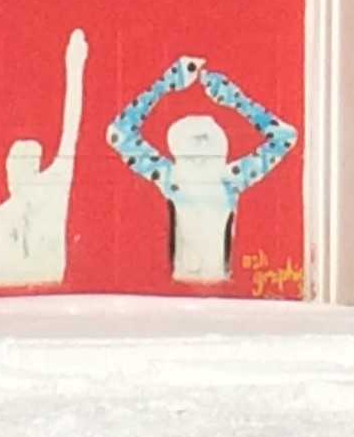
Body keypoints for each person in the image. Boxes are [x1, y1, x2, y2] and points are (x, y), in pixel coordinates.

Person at [107, 55, 297, 284]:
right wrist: (234, 99)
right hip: (197, 281)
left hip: (201, 282)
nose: (200, 149)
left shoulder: (182, 177)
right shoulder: (221, 179)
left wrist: (167, 84)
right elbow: (284, 138)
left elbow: (119, 134)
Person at [0, 28, 88, 290]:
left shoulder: (52, 192)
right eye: (16, 162)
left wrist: (75, 67)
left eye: (27, 161)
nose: (18, 170)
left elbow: (72, 127)